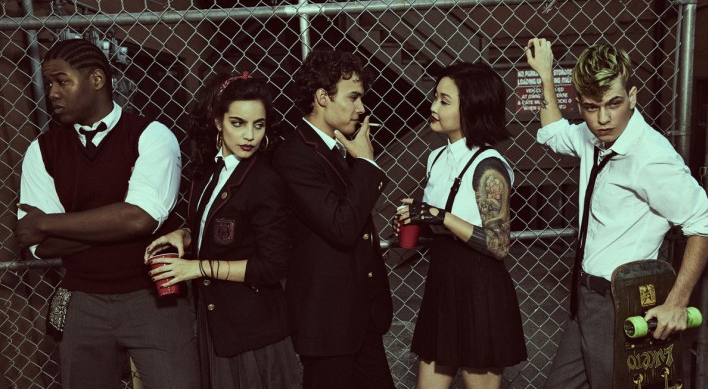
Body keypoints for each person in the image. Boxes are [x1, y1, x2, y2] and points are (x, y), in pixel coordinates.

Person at [526, 38, 708, 388]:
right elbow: (553, 133)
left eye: (614, 103)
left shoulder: (650, 157)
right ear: (581, 104)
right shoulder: (592, 137)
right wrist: (546, 76)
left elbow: (705, 221)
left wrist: (677, 301)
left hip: (622, 303)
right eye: (591, 107)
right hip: (585, 299)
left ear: (632, 97)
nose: (603, 119)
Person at [13, 38, 200, 388]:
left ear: (96, 80)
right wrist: (120, 221)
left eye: (62, 81)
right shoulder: (42, 151)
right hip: (83, 299)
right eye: (49, 83)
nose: (52, 93)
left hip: (154, 294)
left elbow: (141, 218)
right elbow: (40, 244)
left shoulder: (151, 135)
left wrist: (49, 223)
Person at [144, 72, 302, 389]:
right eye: (238, 123)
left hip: (253, 327)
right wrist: (185, 235)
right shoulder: (210, 171)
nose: (250, 136)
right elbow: (222, 230)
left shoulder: (264, 180)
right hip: (220, 319)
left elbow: (272, 266)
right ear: (218, 121)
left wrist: (196, 267)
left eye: (259, 125)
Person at [394, 62, 527, 389]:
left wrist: (440, 215)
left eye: (444, 101)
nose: (433, 107)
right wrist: (417, 220)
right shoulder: (436, 158)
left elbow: (498, 244)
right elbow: (440, 225)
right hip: (443, 283)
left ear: (471, 108)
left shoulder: (489, 166)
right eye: (435, 97)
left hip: (479, 289)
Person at [272, 49, 395, 389]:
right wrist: (366, 163)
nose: (362, 108)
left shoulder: (338, 148)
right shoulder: (294, 155)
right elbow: (342, 226)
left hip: (359, 316)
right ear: (322, 98)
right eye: (353, 97)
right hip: (327, 322)